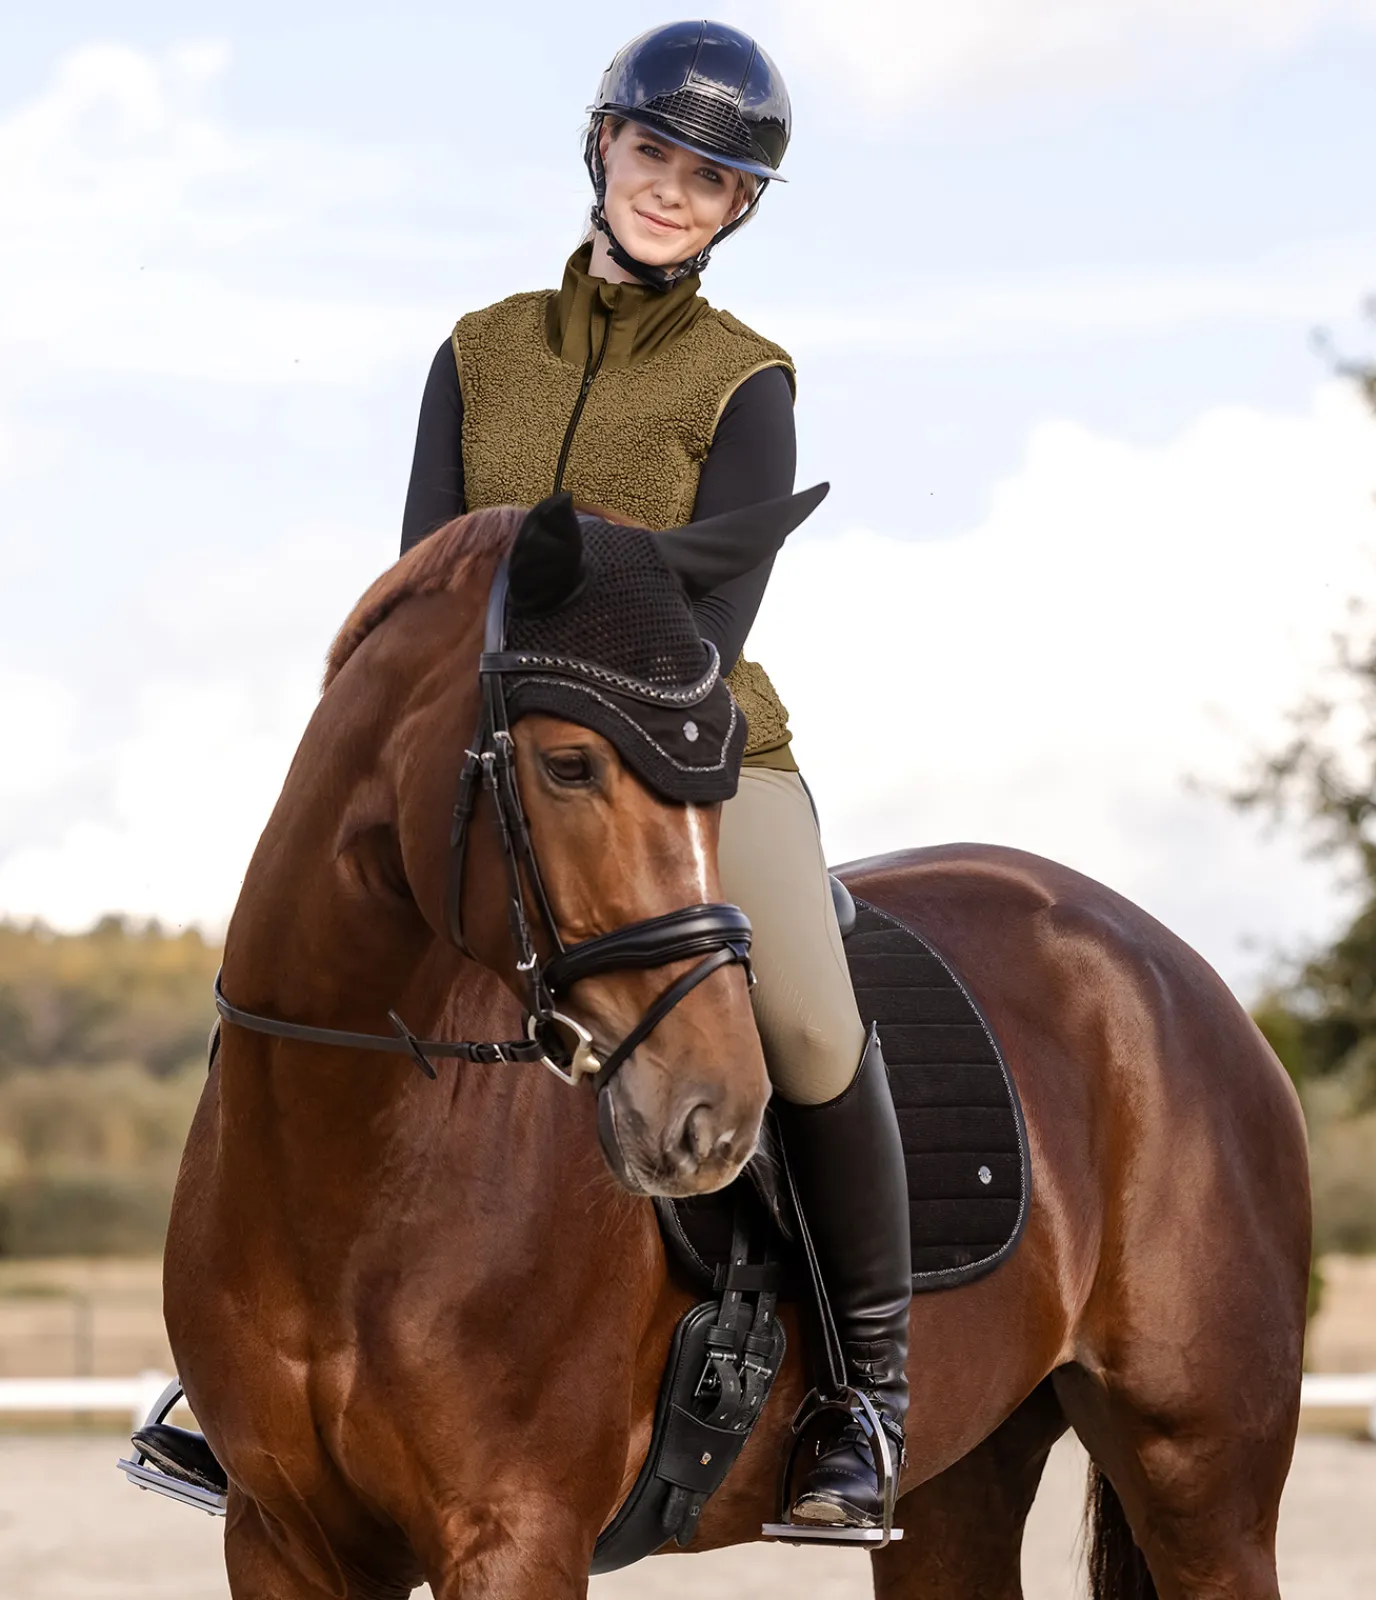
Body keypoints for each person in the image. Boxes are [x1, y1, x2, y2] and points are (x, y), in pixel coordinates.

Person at [137, 19, 911, 1533]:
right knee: (302, 962)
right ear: (601, 147)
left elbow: (704, 636)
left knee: (809, 1016)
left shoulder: (746, 379)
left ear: (742, 207)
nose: (676, 192)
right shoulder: (478, 349)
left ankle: (861, 1395)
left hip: (687, 749)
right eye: (656, 156)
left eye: (714, 179)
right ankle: (232, 1369)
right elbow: (418, 580)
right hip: (475, 751)